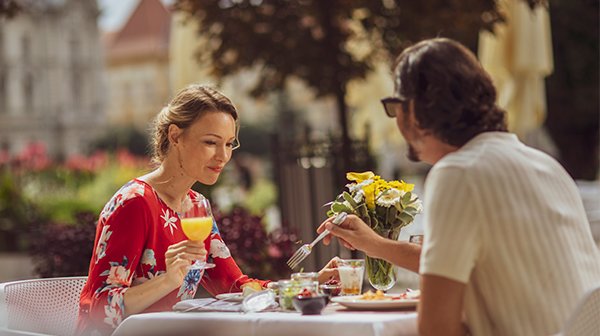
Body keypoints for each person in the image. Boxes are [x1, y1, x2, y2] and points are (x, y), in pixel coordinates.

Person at [318, 38, 600, 336]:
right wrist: (375, 244)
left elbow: (437, 329)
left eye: (394, 107)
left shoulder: (457, 174)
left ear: (412, 111)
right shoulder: (546, 167)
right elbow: (488, 265)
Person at [77, 84, 337, 335]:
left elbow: (234, 285)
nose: (223, 156)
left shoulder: (197, 207)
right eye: (211, 142)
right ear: (175, 136)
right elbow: (100, 312)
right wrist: (168, 280)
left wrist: (308, 285)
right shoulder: (135, 203)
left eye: (229, 144)